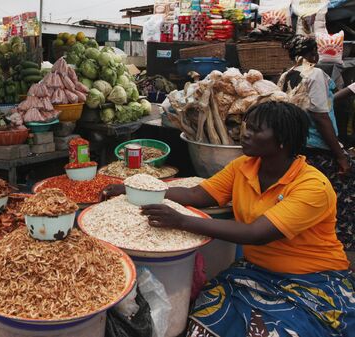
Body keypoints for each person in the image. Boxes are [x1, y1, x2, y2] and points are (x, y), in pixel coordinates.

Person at [102, 101, 355, 337]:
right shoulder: (245, 166)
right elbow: (197, 193)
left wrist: (181, 221)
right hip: (257, 273)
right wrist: (131, 189)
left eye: (256, 130)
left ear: (282, 142)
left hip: (312, 278)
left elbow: (256, 233)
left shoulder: (312, 187)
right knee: (204, 321)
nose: (245, 133)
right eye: (247, 126)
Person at [280, 35, 355, 250]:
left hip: (297, 147)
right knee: (342, 193)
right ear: (312, 54)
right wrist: (340, 156)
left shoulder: (287, 75)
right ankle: (339, 243)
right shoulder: (316, 75)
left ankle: (307, 241)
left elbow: (323, 102)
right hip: (318, 149)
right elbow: (321, 116)